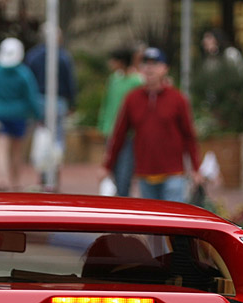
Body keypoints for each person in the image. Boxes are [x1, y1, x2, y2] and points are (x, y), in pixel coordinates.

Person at [98, 47, 201, 203]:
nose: (149, 68)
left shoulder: (177, 99)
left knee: (173, 221)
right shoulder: (132, 99)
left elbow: (189, 135)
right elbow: (119, 135)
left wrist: (196, 168)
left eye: (155, 64)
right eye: (145, 64)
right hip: (145, 174)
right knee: (153, 223)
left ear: (165, 69)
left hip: (173, 173)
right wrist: (107, 165)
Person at [0, 37, 42, 192]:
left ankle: (2, 180)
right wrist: (38, 115)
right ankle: (15, 182)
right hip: (19, 115)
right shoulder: (24, 73)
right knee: (17, 151)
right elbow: (31, 97)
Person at [24, 25, 78, 190]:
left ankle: (43, 177)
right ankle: (54, 178)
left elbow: (27, 81)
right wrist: (73, 102)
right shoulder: (63, 56)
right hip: (58, 102)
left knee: (42, 138)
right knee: (57, 140)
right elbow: (70, 81)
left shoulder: (32, 56)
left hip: (39, 100)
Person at [97, 47, 143, 197]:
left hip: (128, 134)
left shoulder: (136, 81)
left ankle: (123, 197)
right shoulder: (114, 80)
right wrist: (102, 124)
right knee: (113, 167)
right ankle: (118, 195)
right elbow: (107, 103)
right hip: (111, 130)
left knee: (125, 168)